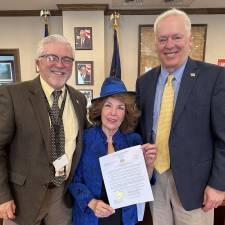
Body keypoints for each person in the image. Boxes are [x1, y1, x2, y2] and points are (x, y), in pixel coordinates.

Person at [136, 8, 225, 225]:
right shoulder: (144, 82)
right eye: (163, 39)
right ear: (155, 43)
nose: (170, 45)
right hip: (156, 179)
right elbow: (140, 131)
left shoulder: (214, 77)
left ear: (189, 40)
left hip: (197, 185)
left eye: (177, 37)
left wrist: (219, 184)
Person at [0, 34, 89, 225]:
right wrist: (2, 196)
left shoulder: (78, 99)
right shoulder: (13, 95)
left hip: (62, 195)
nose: (60, 64)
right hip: (22, 198)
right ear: (37, 62)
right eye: (52, 57)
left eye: (67, 59)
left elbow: (89, 139)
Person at [69, 77, 157, 225]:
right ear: (99, 109)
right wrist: (92, 203)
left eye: (120, 107)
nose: (113, 113)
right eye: (108, 106)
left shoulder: (134, 140)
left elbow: (143, 183)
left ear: (126, 112)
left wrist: (149, 165)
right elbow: (73, 181)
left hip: (124, 216)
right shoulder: (84, 139)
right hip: (91, 214)